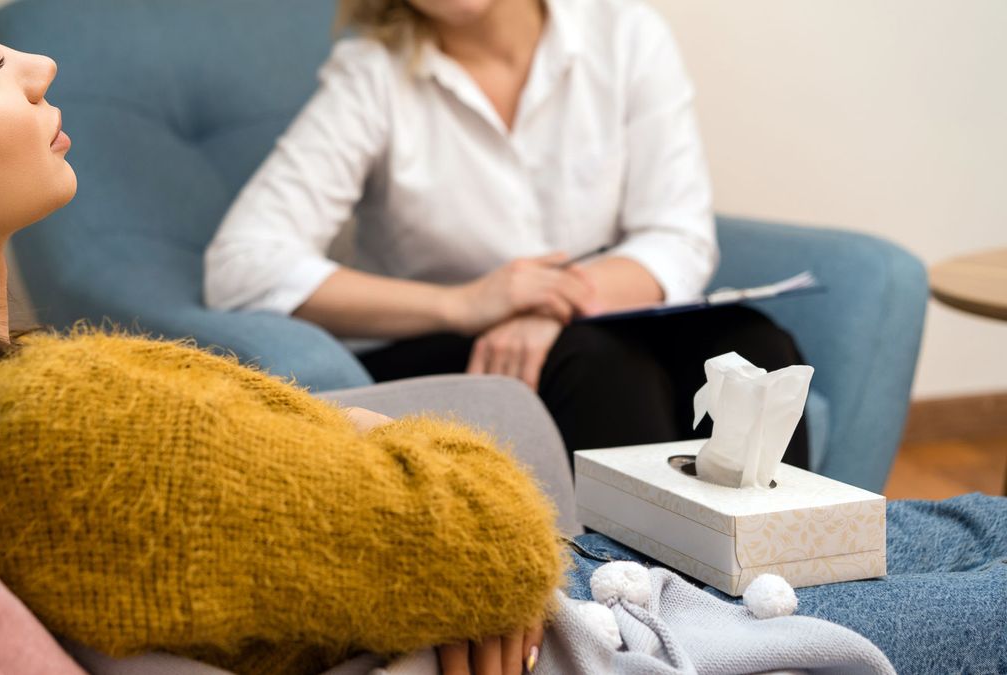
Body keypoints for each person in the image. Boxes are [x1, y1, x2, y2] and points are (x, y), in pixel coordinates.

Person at [0, 1, 1003, 674]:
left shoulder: (42, 393)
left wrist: (375, 442)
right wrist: (473, 318)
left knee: (731, 354)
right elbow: (486, 532)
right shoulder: (74, 428)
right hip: (623, 625)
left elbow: (676, 230)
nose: (38, 63)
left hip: (592, 570)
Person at [204, 0, 811, 468]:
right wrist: (466, 304)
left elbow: (677, 234)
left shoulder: (623, 33)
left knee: (753, 350)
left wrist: (549, 306)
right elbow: (242, 264)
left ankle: (797, 607)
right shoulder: (373, 77)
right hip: (452, 346)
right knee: (598, 364)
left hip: (596, 318)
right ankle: (625, 616)